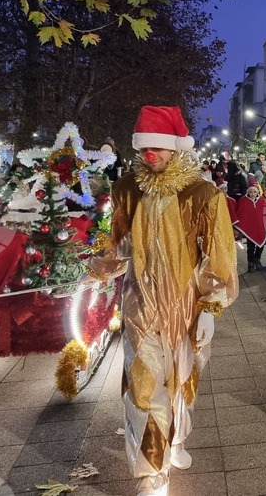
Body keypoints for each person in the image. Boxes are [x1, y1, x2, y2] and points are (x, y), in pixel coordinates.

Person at [83, 106, 238, 496]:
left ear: (175, 149)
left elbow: (218, 255)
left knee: (183, 383)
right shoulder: (125, 189)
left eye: (159, 146)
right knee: (144, 385)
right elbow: (115, 246)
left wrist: (210, 306)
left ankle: (178, 438)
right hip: (140, 305)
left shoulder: (203, 193)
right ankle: (154, 472)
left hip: (187, 307)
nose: (151, 153)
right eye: (145, 146)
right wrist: (90, 270)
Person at [233, 186, 266, 272]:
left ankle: (257, 259)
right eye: (251, 192)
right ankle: (250, 263)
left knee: (262, 243)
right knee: (250, 246)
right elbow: (240, 213)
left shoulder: (261, 200)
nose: (252, 194)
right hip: (249, 228)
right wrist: (238, 227)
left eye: (254, 192)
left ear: (257, 192)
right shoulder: (243, 200)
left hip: (260, 226)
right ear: (248, 192)